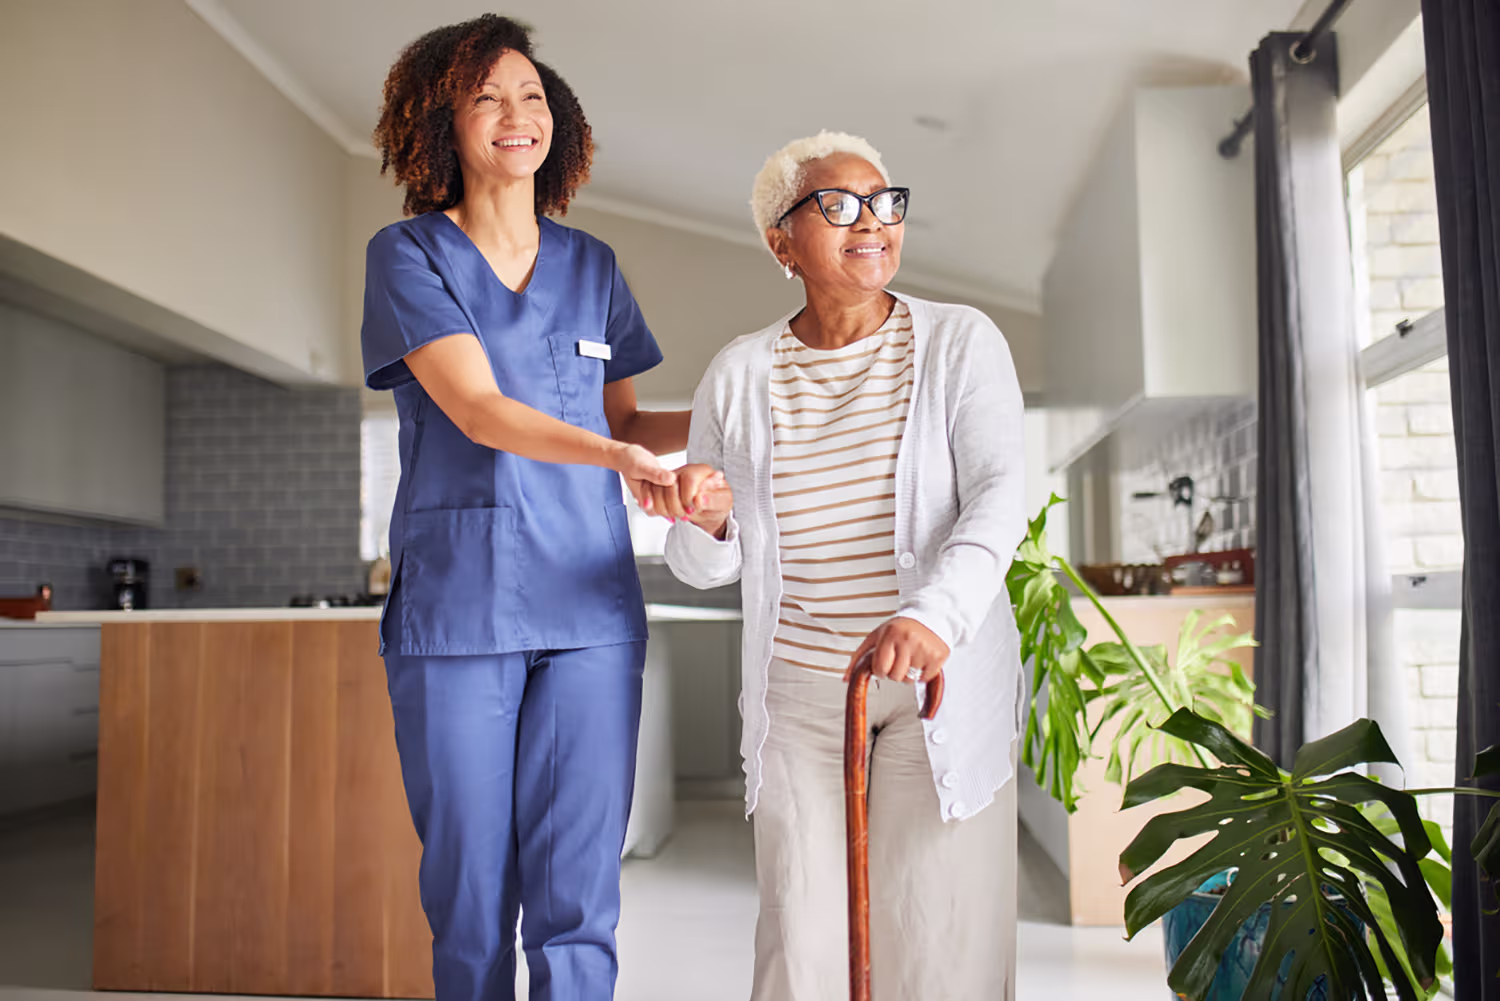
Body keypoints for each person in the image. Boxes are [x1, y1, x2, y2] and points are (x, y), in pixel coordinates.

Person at [360, 16, 698, 1001]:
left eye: (534, 97)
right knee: (469, 901)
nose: (518, 116)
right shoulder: (409, 253)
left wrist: (745, 407)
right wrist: (616, 450)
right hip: (462, 612)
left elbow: (627, 412)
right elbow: (476, 407)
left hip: (590, 609)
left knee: (580, 900)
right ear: (443, 123)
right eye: (487, 98)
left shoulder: (592, 266)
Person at [653, 131, 1028, 1000]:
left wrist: (933, 615)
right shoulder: (740, 375)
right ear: (782, 243)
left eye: (885, 201)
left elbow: (999, 498)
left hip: (936, 681)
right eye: (839, 204)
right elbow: (705, 564)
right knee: (802, 941)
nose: (873, 221)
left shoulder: (960, 342)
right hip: (803, 695)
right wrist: (707, 521)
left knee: (937, 938)